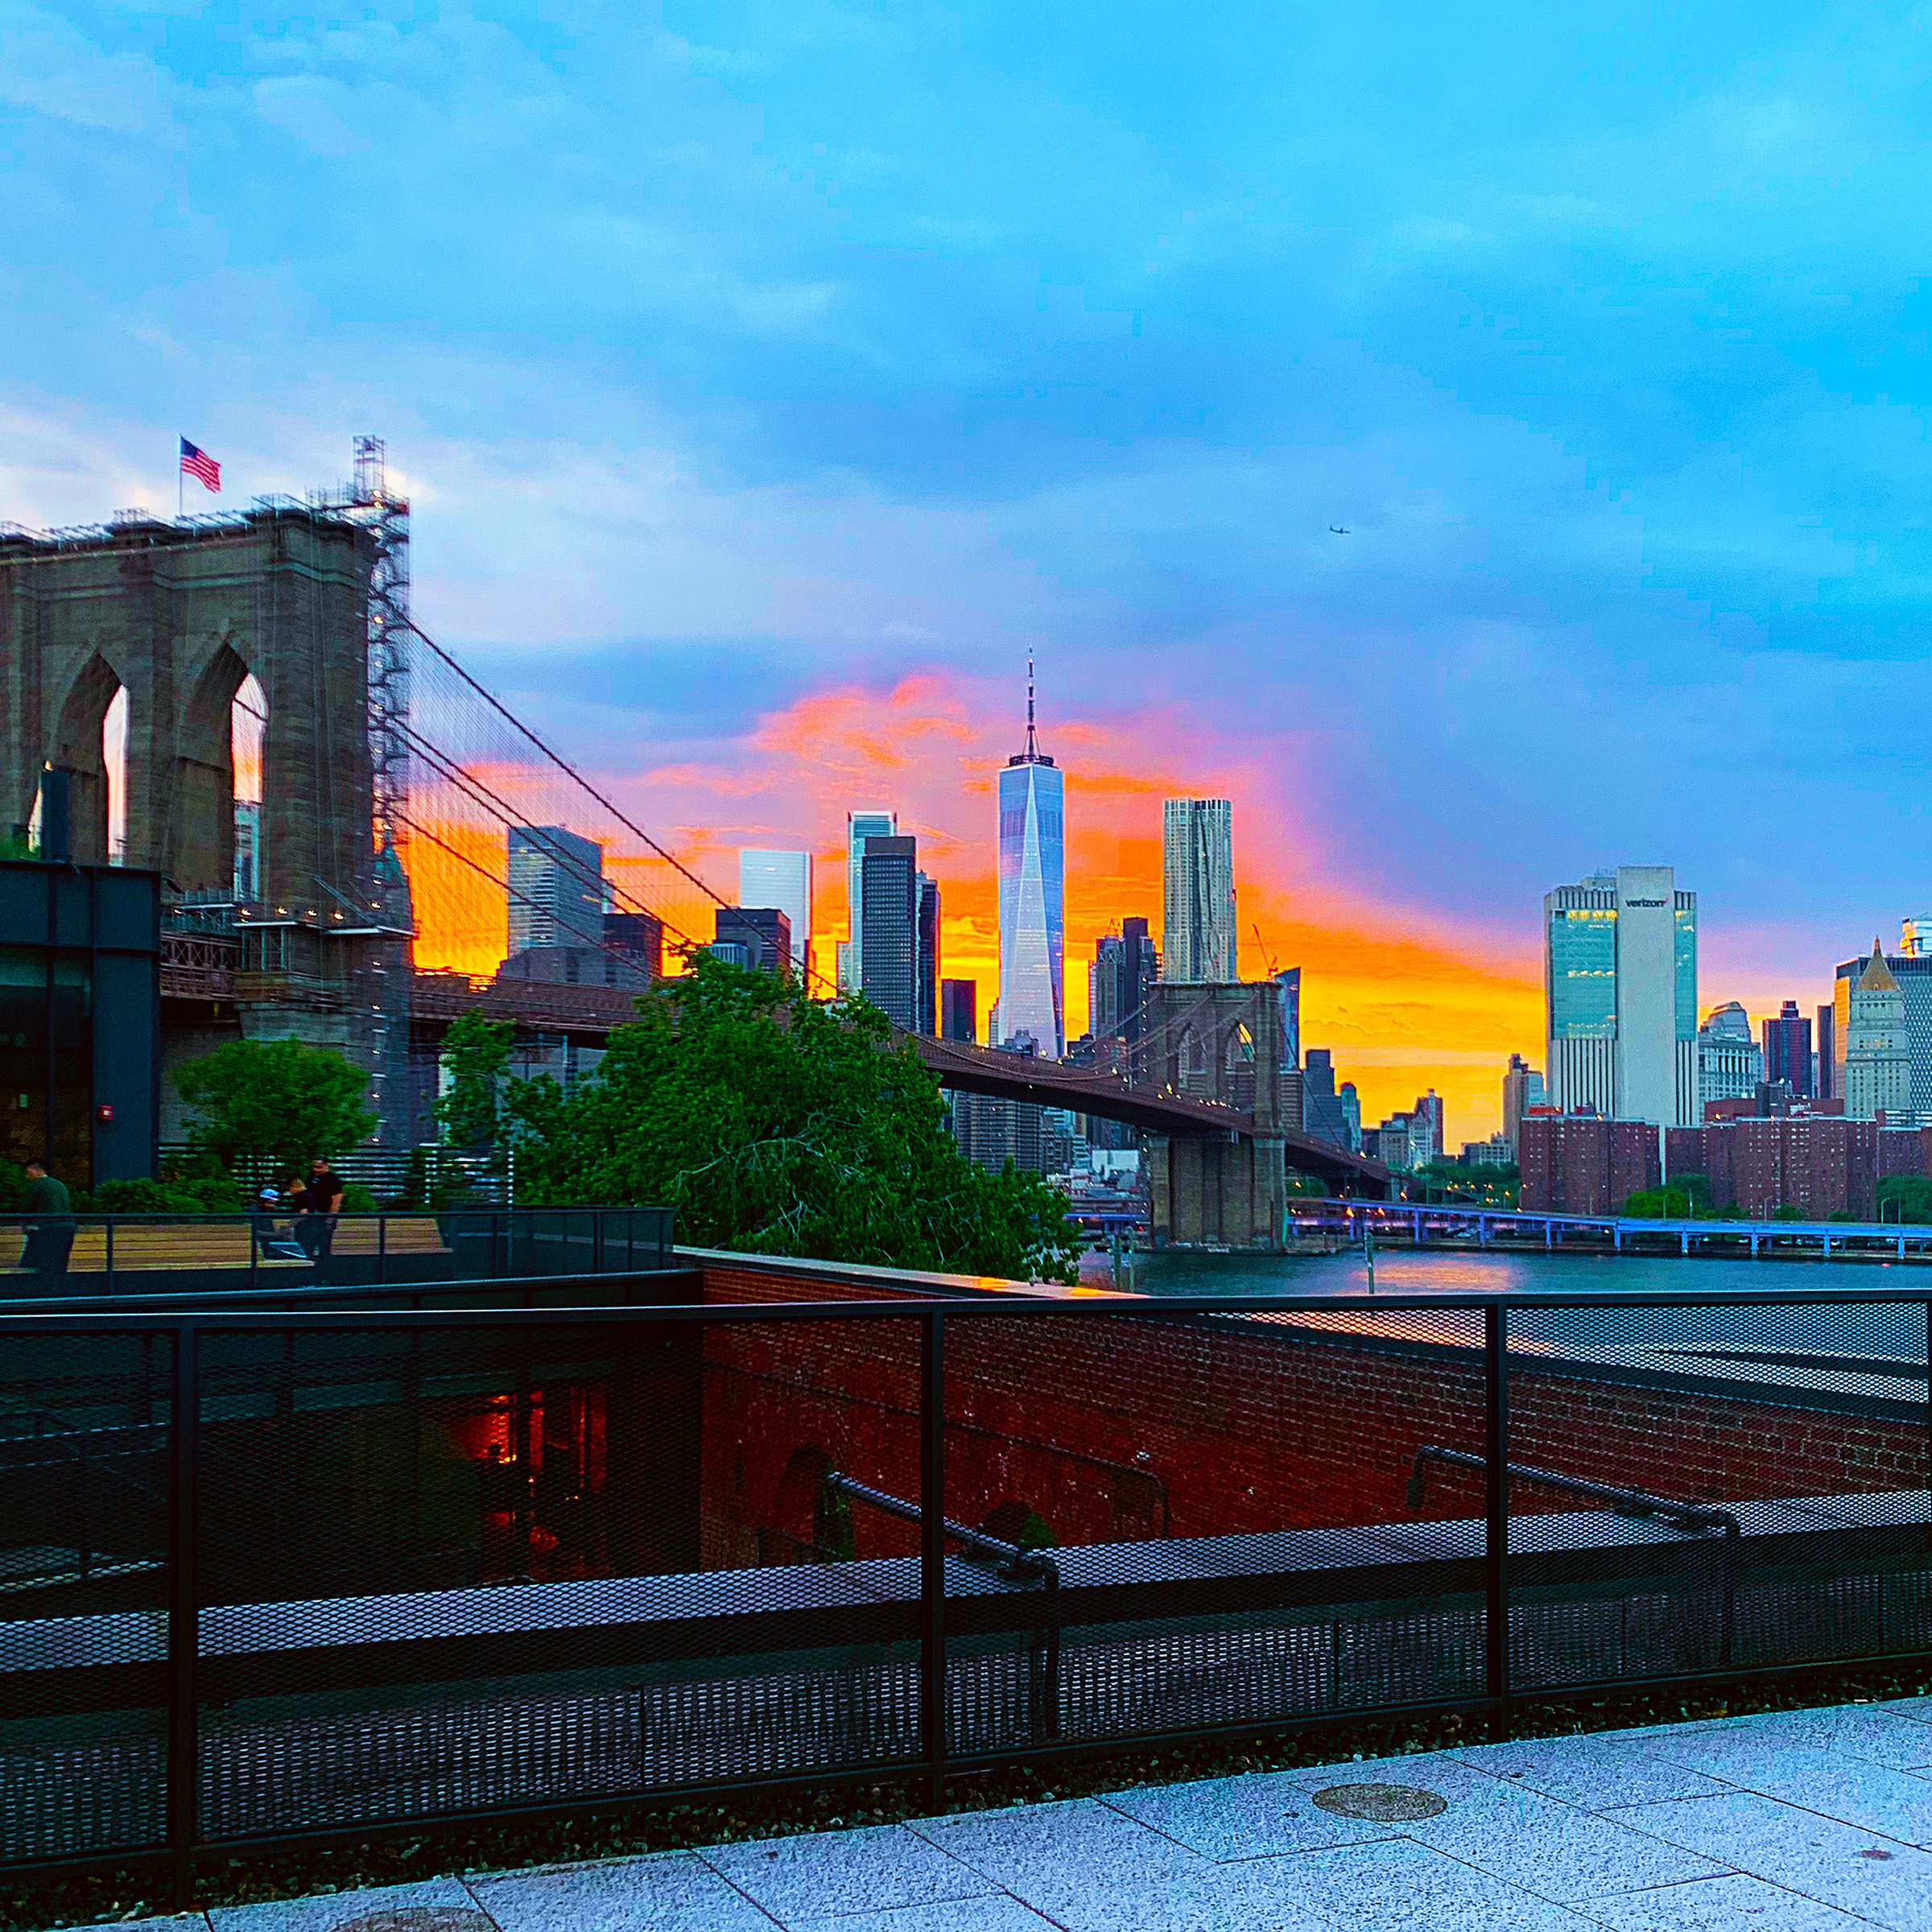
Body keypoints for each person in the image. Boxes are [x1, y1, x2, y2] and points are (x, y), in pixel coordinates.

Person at [19, 1159, 76, 1280]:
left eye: (29, 1172)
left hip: (48, 1228)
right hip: (67, 1228)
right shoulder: (59, 1185)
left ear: (37, 1171)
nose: (28, 1176)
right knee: (59, 1264)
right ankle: (58, 1292)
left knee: (42, 1263)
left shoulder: (36, 1185)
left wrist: (24, 1223)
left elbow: (27, 1207)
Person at [295, 1155, 344, 1266]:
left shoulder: (332, 1179)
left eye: (319, 1167)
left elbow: (336, 1199)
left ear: (326, 1166)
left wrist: (330, 1218)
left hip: (323, 1218)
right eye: (314, 1167)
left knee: (324, 1248)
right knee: (307, 1247)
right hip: (311, 1219)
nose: (315, 1169)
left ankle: (324, 1276)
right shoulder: (311, 1177)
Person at [254, 1173, 308, 1261]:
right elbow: (256, 1233)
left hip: (272, 1245)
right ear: (262, 1201)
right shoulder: (255, 1213)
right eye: (270, 1203)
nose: (272, 1206)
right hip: (262, 1248)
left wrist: (282, 1233)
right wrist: (277, 1234)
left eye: (274, 1204)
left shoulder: (269, 1214)